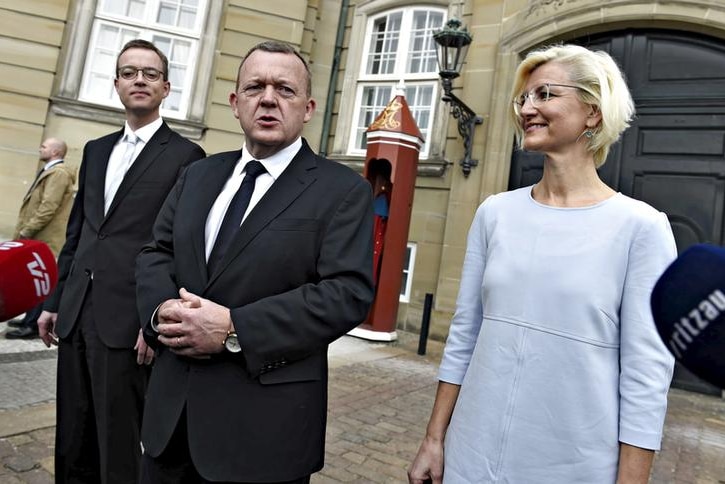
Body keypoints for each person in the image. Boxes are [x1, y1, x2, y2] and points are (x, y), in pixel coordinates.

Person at [408, 44, 677, 484]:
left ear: (592, 112)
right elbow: (464, 335)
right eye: (523, 98)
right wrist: (434, 440)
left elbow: (647, 377)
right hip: (470, 455)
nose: (528, 108)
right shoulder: (495, 213)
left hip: (574, 464)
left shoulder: (641, 228)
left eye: (545, 94)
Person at [135, 40, 374, 483]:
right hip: (171, 425)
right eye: (255, 87)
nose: (268, 98)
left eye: (285, 89)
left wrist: (232, 329)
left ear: (307, 108)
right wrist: (160, 311)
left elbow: (346, 293)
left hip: (264, 434)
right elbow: (157, 252)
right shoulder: (198, 174)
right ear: (235, 102)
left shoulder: (343, 191)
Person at [37, 39, 205, 483]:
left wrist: (155, 320)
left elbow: (180, 248)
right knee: (73, 438)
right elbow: (80, 233)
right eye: (129, 72)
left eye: (150, 74)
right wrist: (54, 301)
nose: (139, 80)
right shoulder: (94, 150)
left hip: (130, 320)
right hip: (76, 312)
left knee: (120, 443)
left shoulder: (187, 157)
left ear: (166, 87)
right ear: (116, 84)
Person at [6, 138, 74, 339]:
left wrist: (27, 230)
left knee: (41, 279)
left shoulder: (59, 174)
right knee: (32, 277)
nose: (40, 148)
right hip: (38, 236)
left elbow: (48, 207)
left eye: (44, 146)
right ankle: (29, 317)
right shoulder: (49, 171)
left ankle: (32, 325)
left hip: (45, 237)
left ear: (55, 152)